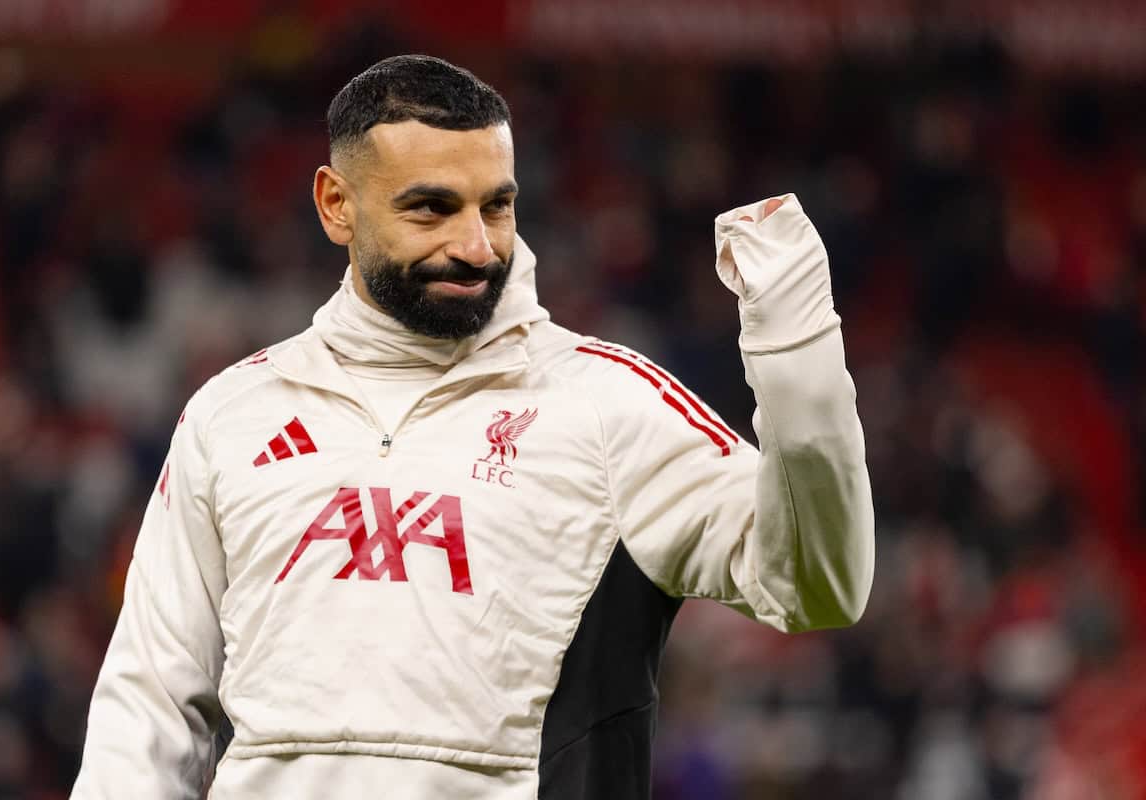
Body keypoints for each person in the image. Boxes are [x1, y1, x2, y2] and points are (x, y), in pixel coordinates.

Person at [71, 54, 874, 799]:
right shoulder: (231, 416)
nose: (476, 245)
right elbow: (147, 711)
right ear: (335, 205)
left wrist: (795, 346)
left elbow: (819, 584)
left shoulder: (610, 406)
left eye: (497, 205)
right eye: (431, 209)